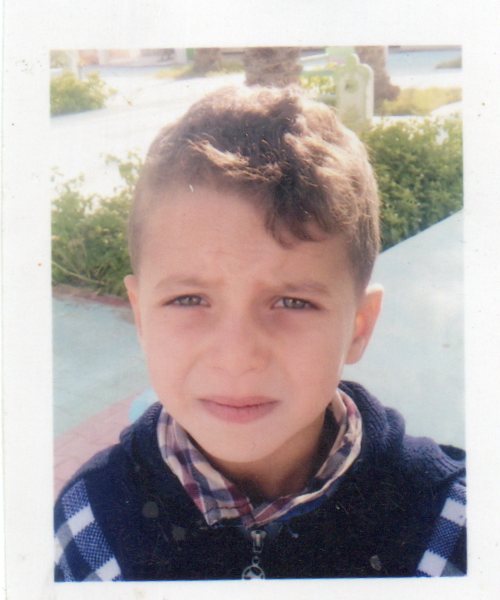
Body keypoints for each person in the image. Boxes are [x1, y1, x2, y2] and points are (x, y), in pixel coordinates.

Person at [54, 85, 466, 581]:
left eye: (292, 302)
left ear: (359, 325)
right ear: (141, 317)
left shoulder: (453, 526)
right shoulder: (91, 523)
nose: (236, 355)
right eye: (189, 299)